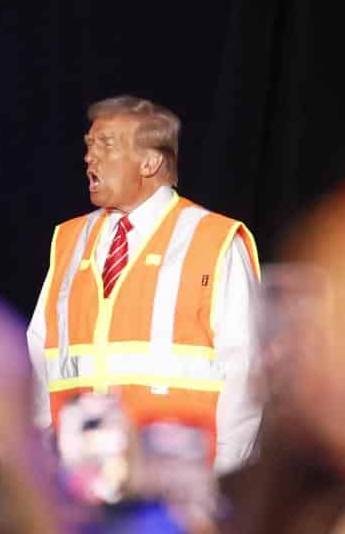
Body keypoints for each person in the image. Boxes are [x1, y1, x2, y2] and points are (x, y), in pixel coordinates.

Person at [27, 96, 262, 473]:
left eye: (106, 145)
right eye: (88, 146)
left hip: (174, 482)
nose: (90, 158)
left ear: (150, 161)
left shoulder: (212, 240)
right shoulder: (69, 240)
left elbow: (246, 372)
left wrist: (222, 480)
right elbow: (42, 359)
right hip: (78, 481)